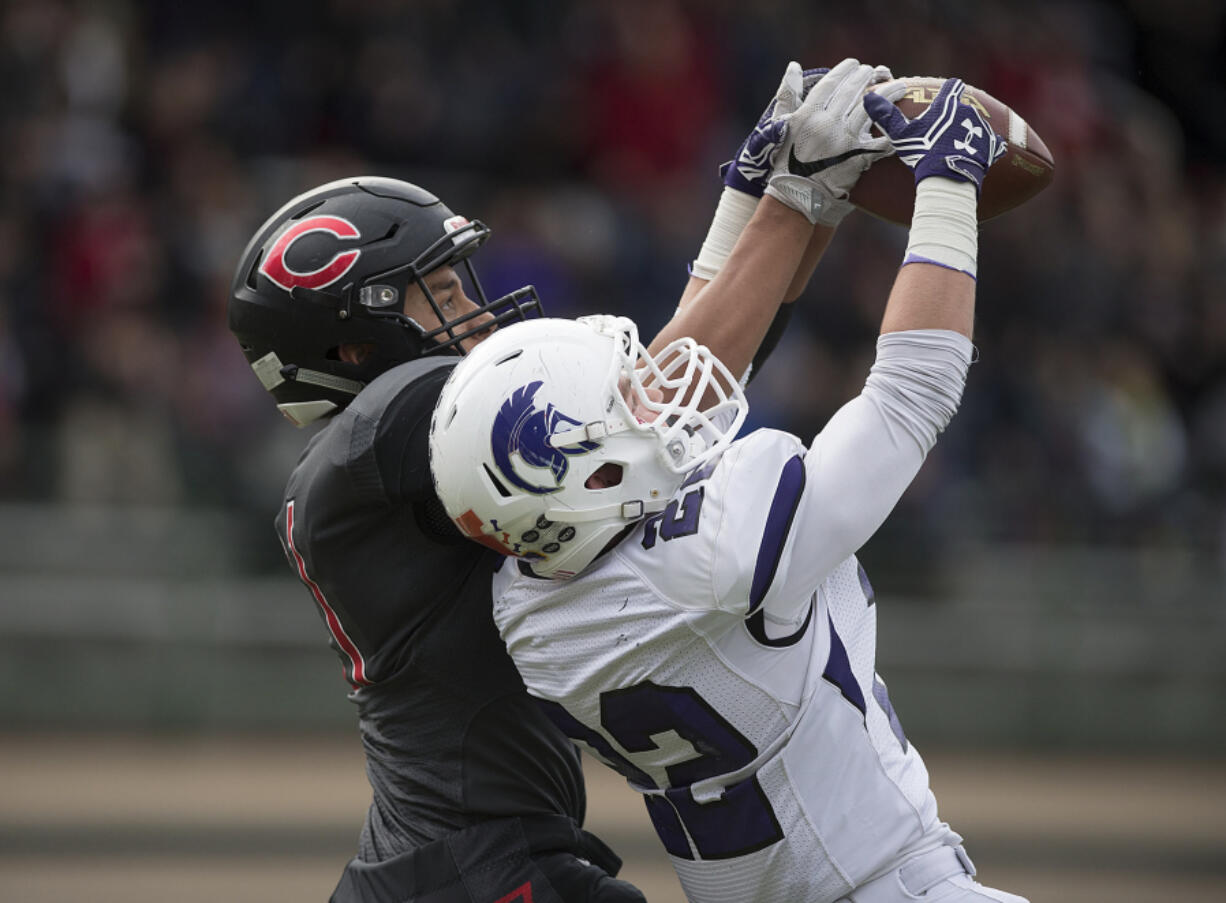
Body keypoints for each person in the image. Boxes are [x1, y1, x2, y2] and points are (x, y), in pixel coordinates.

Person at [227, 57, 901, 903]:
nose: (471, 311)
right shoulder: (389, 420)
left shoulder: (362, 454)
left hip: (446, 867)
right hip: (481, 870)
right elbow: (650, 410)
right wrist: (789, 203)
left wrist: (776, 201)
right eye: (437, 292)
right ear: (352, 345)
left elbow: (671, 396)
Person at [429, 77, 1030, 903]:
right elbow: (913, 390)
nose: (649, 388)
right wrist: (950, 181)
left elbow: (689, 386)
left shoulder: (531, 611)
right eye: (623, 399)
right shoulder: (724, 549)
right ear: (591, 474)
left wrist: (776, 196)